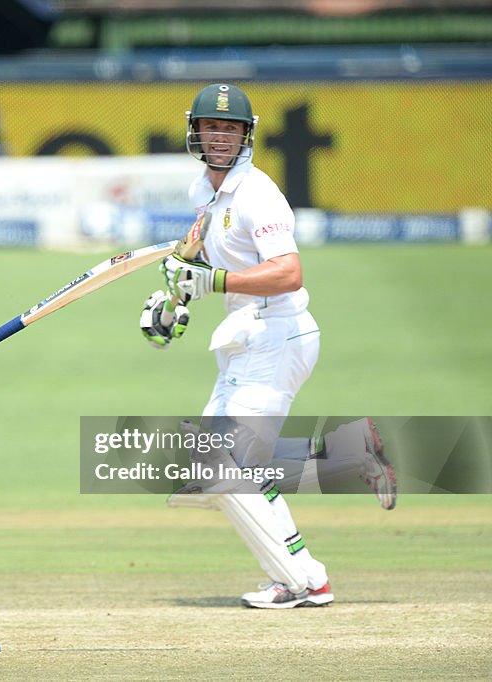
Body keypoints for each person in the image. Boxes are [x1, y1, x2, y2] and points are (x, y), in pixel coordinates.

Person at [139, 83, 397, 609]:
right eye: (211, 126)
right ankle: (311, 549)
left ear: (246, 135)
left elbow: (288, 271)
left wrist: (215, 284)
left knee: (219, 468)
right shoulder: (203, 194)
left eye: (230, 128)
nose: (219, 137)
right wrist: (171, 304)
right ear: (195, 131)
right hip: (249, 338)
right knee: (221, 472)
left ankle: (303, 579)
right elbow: (200, 266)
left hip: (275, 335)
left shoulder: (258, 193)